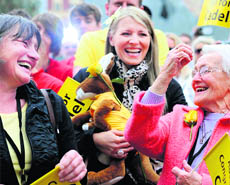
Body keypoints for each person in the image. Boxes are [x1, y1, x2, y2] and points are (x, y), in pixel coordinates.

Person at [74, 7, 187, 185]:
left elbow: (183, 137)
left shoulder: (168, 85)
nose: (134, 41)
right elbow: (60, 128)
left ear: (150, 40)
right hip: (97, 176)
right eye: (126, 33)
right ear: (111, 38)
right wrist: (94, 140)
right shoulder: (89, 78)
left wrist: (145, 142)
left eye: (142, 34)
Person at [125, 43, 230, 185]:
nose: (195, 79)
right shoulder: (180, 117)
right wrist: (164, 76)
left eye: (205, 71)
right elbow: (138, 136)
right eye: (195, 72)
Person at [0, 14, 86, 185]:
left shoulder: (51, 103)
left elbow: (77, 174)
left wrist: (75, 166)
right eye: (24, 43)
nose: (35, 56)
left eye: (36, 48)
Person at [73, 0, 169, 75]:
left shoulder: (156, 36)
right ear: (107, 8)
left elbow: (161, 76)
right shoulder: (89, 39)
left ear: (141, 10)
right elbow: (79, 84)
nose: (124, 9)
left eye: (130, 5)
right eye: (118, 4)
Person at [32, 12, 73, 82]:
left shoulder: (66, 72)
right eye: (37, 29)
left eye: (47, 33)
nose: (40, 35)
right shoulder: (20, 66)